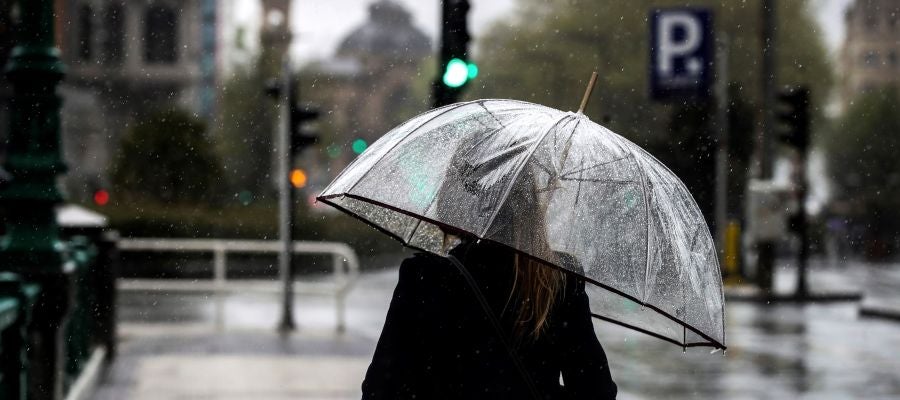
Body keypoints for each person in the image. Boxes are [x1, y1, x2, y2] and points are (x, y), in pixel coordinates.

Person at [361, 140, 617, 399]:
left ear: (455, 197)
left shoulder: (425, 278)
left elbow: (381, 389)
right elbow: (596, 391)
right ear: (526, 199)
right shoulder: (557, 277)